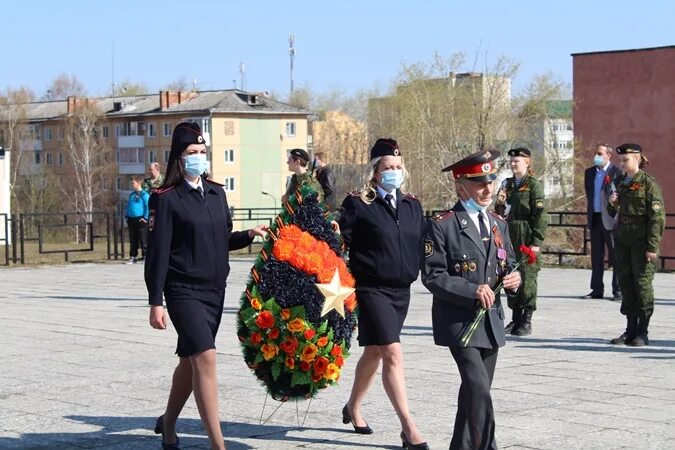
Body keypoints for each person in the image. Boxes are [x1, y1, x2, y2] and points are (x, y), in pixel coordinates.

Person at [145, 122, 267, 450]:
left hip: (215, 291)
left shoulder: (216, 192)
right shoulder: (165, 199)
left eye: (202, 152)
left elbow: (219, 240)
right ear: (179, 158)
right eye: (191, 153)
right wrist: (155, 300)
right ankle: (218, 445)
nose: (198, 157)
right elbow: (156, 253)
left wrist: (248, 235)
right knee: (207, 357)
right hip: (183, 291)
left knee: (191, 360)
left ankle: (168, 423)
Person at [421, 149, 521, 450]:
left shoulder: (497, 223)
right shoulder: (442, 225)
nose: (488, 188)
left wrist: (514, 281)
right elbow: (433, 275)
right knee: (479, 389)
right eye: (479, 182)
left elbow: (508, 263)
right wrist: (471, 289)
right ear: (460, 185)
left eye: (491, 181)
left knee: (473, 394)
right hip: (460, 324)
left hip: (490, 323)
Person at [338, 138, 428, 450]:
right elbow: (337, 242)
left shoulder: (412, 205)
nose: (394, 172)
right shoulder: (359, 203)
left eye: (398, 167)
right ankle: (409, 428)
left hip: (401, 291)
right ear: (375, 171)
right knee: (392, 352)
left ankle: (353, 407)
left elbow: (424, 245)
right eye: (387, 167)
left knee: (375, 351)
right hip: (371, 289)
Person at [607, 143, 665, 347]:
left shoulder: (648, 184)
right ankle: (630, 328)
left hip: (641, 242)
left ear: (638, 159)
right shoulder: (620, 182)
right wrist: (612, 203)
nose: (622, 164)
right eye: (621, 160)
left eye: (626, 160)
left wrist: (652, 246)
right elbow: (612, 212)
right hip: (623, 240)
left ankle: (643, 330)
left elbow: (657, 218)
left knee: (642, 285)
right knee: (626, 283)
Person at [494, 147, 547, 336]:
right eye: (512, 160)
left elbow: (540, 215)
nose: (513, 163)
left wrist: (536, 241)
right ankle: (515, 318)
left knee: (528, 277)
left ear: (527, 162)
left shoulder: (533, 185)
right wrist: (499, 203)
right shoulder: (506, 184)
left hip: (526, 234)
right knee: (510, 274)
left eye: (517, 160)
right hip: (509, 234)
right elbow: (498, 212)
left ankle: (526, 319)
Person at [581, 144, 623, 301]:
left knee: (616, 256)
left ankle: (618, 291)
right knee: (596, 256)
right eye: (595, 153)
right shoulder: (590, 173)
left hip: (611, 220)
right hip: (595, 218)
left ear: (608, 155)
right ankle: (596, 289)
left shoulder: (616, 172)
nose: (596, 156)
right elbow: (589, 194)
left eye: (599, 153)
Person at [125, 176, 149, 264]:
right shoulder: (132, 194)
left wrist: (145, 217)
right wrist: (127, 215)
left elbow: (148, 206)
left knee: (143, 239)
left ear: (138, 183)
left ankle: (145, 256)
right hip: (131, 219)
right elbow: (129, 206)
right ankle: (133, 256)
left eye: (133, 183)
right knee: (133, 239)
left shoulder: (144, 194)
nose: (132, 185)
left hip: (141, 219)